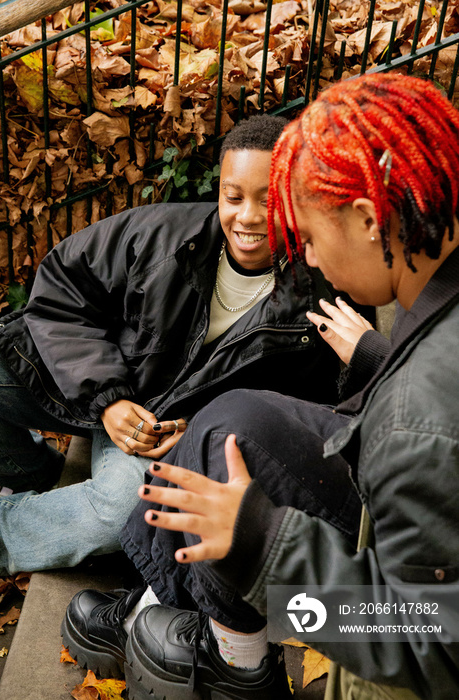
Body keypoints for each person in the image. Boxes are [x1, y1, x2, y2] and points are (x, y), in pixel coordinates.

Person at [63, 72, 459, 700]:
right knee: (228, 422)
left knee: (231, 479)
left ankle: (240, 664)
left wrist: (268, 544)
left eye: (307, 236)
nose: (305, 260)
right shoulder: (432, 270)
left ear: (366, 220)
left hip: (395, 642)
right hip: (391, 466)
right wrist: (380, 358)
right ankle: (199, 630)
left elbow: (433, 640)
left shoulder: (421, 421)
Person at [0, 114, 346, 576]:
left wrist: (199, 434)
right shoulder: (164, 235)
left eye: (270, 199)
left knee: (122, 509)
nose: (248, 216)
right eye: (233, 196)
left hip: (170, 439)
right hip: (110, 380)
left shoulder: (320, 300)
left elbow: (301, 419)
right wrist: (108, 399)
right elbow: (63, 287)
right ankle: (40, 475)